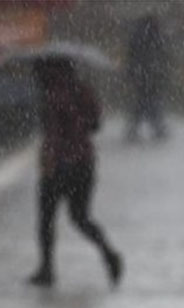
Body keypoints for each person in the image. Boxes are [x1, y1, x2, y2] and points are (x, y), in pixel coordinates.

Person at [28, 57, 122, 288]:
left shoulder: (50, 95)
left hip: (58, 164)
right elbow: (96, 125)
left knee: (46, 219)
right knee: (81, 217)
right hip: (84, 163)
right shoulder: (83, 90)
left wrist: (51, 159)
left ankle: (47, 269)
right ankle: (108, 252)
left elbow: (52, 133)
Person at [124, 13, 168, 142]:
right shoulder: (155, 36)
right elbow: (161, 55)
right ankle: (156, 127)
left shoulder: (137, 36)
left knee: (142, 102)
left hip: (142, 75)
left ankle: (135, 128)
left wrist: (132, 73)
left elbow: (131, 56)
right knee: (150, 102)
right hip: (151, 75)